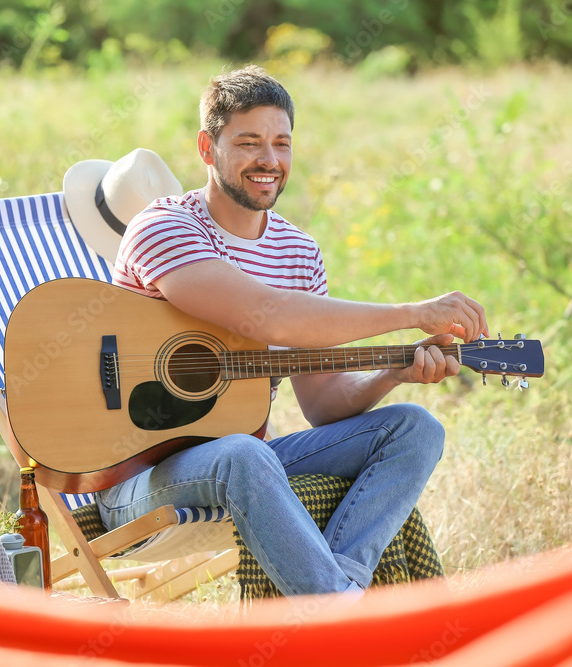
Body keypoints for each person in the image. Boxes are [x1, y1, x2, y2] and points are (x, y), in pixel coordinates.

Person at [66, 65, 489, 598]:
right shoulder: (164, 225)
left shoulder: (298, 251)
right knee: (245, 452)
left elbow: (324, 406)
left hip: (245, 462)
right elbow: (267, 315)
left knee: (415, 429)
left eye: (281, 143)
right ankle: (339, 612)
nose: (269, 160)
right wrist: (412, 311)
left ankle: (341, 589)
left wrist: (391, 372)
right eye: (248, 143)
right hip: (137, 476)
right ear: (206, 147)